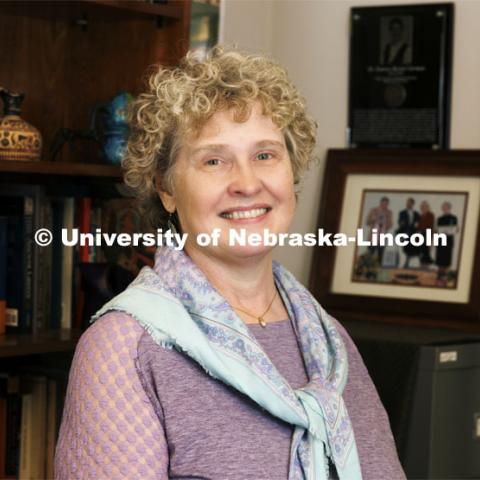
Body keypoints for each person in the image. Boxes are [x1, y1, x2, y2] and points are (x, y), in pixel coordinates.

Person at [55, 47, 405, 479]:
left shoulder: (330, 343)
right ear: (166, 187)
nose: (246, 183)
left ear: (290, 173)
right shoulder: (124, 348)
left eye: (265, 155)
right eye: (214, 160)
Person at [435, 201, 458, 286]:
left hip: (448, 242)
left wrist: (449, 230)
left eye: (445, 206)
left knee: (447, 261)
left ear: (449, 207)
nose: (443, 208)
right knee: (439, 261)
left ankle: (445, 280)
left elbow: (454, 230)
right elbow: (437, 230)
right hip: (440, 241)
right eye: (443, 207)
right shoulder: (439, 218)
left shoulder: (454, 218)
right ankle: (439, 278)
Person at [366, 196, 393, 266]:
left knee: (380, 257)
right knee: (369, 256)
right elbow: (367, 222)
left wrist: (385, 224)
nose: (385, 205)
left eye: (386, 204)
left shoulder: (389, 212)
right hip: (373, 237)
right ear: (380, 203)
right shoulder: (373, 210)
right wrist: (374, 219)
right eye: (383, 203)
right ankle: (368, 273)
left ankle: (377, 272)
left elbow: (391, 224)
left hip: (382, 238)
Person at [397, 197, 420, 268]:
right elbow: (400, 222)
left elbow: (418, 224)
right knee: (403, 250)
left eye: (410, 203)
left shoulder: (416, 214)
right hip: (404, 233)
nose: (408, 204)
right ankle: (402, 264)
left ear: (413, 204)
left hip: (413, 234)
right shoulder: (402, 213)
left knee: (411, 250)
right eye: (407, 203)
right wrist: (402, 224)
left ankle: (407, 264)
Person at [418, 200, 435, 266]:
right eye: (422, 207)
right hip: (421, 235)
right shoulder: (420, 216)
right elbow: (419, 227)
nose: (423, 208)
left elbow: (431, 227)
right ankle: (422, 265)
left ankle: (426, 265)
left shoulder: (431, 215)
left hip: (427, 235)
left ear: (428, 207)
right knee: (421, 253)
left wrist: (430, 240)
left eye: (425, 207)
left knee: (426, 253)